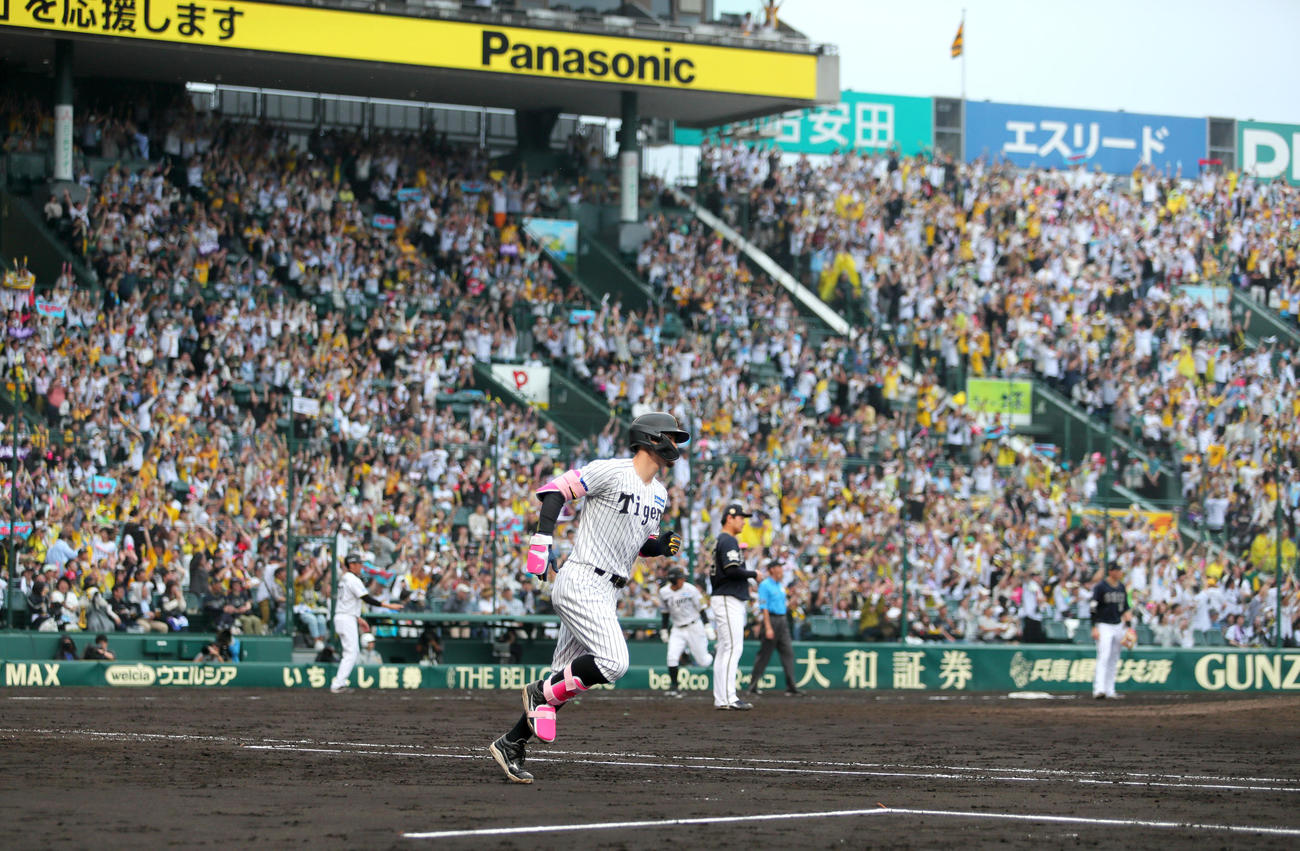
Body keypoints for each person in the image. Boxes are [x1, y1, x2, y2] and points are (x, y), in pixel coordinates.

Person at [488, 411, 688, 784]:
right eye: (672, 436)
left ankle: (512, 742)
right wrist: (542, 539)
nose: (676, 444)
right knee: (614, 662)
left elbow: (639, 543)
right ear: (651, 437)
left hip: (609, 589)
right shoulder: (611, 470)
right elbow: (555, 491)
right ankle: (537, 693)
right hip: (582, 579)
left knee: (562, 683)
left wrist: (659, 546)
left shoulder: (659, 493)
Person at [330, 550, 402, 693]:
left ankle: (339, 683)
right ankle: (338, 684)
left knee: (350, 652)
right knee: (351, 652)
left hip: (344, 616)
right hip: (346, 618)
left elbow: (350, 601)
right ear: (351, 565)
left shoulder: (346, 578)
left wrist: (358, 618)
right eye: (358, 563)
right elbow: (367, 598)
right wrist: (388, 606)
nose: (360, 566)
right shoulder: (352, 579)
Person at [711, 503, 756, 710]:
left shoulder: (722, 539)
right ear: (729, 518)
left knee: (724, 649)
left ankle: (722, 698)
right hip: (728, 598)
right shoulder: (728, 539)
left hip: (724, 597)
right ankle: (729, 697)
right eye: (740, 517)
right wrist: (754, 574)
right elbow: (732, 570)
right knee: (732, 648)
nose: (743, 522)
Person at [745, 560, 803, 697]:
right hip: (771, 620)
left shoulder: (780, 586)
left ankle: (791, 687)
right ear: (772, 569)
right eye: (779, 568)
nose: (781, 570)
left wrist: (794, 598)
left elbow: (783, 605)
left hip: (782, 620)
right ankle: (753, 687)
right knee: (764, 655)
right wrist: (768, 627)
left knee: (788, 653)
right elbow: (764, 607)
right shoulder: (765, 585)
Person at [658, 566, 714, 697]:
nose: (683, 580)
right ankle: (674, 687)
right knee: (672, 657)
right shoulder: (664, 592)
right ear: (674, 580)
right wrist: (664, 629)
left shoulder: (691, 589)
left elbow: (701, 607)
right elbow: (665, 612)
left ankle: (714, 654)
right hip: (677, 628)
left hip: (694, 626)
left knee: (703, 661)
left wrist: (707, 625)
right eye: (680, 578)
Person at [1091, 563, 1132, 699]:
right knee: (1104, 656)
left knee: (1114, 658)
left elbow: (1125, 607)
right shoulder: (1100, 587)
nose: (1120, 573)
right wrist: (1094, 626)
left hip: (1118, 625)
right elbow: (1093, 607)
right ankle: (1099, 689)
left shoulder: (1121, 587)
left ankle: (1110, 690)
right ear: (1111, 571)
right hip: (1103, 625)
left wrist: (1129, 627)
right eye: (1118, 570)